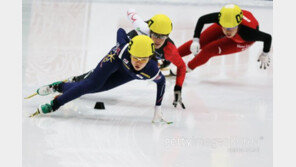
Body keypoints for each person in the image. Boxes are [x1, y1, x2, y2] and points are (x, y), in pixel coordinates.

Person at [29, 29, 170, 124]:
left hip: (127, 74)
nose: (139, 62)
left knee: (96, 89)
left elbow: (162, 83)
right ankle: (55, 104)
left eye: (143, 59)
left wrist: (158, 109)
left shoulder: (152, 70)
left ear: (150, 58)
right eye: (136, 57)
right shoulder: (123, 49)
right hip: (115, 60)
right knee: (91, 84)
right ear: (130, 53)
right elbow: (120, 31)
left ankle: (58, 86)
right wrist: (133, 36)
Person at [70, 10, 186, 109]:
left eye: (162, 36)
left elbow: (181, 66)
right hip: (126, 54)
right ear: (149, 30)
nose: (158, 40)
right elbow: (130, 13)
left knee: (98, 87)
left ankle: (77, 86)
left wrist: (178, 88)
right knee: (96, 79)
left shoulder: (169, 50)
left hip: (136, 66)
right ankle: (75, 81)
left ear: (168, 36)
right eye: (155, 34)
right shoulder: (140, 31)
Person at [178, 4, 272, 71]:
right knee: (200, 42)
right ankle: (168, 57)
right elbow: (202, 19)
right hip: (229, 22)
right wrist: (196, 40)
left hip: (241, 40)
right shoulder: (221, 19)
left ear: (238, 25)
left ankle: (186, 69)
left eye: (231, 28)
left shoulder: (248, 33)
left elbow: (268, 37)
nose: (228, 31)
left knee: (210, 49)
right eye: (225, 27)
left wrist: (265, 53)